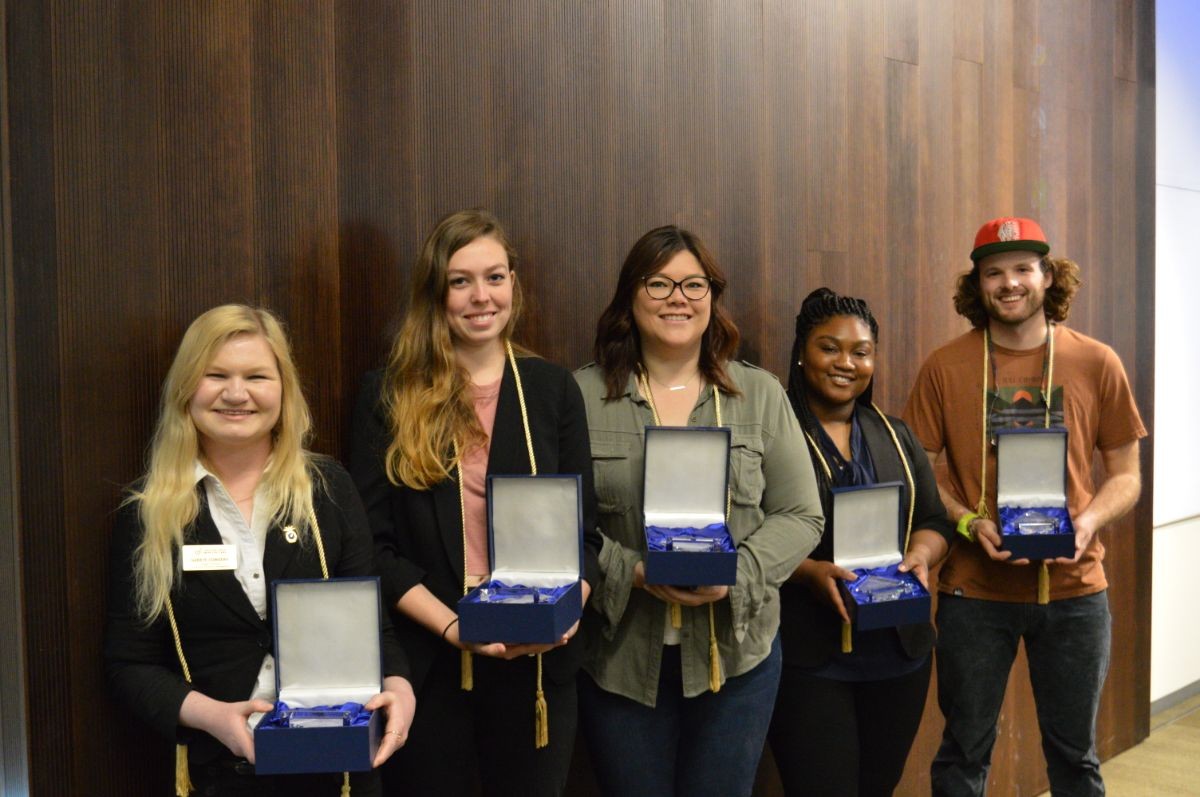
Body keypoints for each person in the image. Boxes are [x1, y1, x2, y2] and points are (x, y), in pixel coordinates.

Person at [105, 304, 415, 797]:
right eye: (216, 375)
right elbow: (130, 665)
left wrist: (399, 687)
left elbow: (372, 627)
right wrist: (215, 718)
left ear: (283, 391)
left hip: (339, 772)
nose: (236, 393)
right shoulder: (145, 514)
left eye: (256, 376)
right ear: (187, 388)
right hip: (222, 774)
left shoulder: (329, 489)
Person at [349, 208, 601, 797]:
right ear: (436, 293)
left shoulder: (551, 389)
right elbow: (372, 549)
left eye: (495, 276)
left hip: (537, 664)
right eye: (460, 281)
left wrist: (562, 618)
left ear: (514, 281)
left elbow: (588, 536)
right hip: (431, 669)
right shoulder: (387, 393)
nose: (480, 296)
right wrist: (455, 627)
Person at [573, 225, 824, 797]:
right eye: (658, 284)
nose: (678, 298)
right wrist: (631, 571)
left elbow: (801, 514)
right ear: (629, 297)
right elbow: (566, 524)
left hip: (736, 660)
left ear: (712, 296)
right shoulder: (581, 397)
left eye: (693, 284)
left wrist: (736, 572)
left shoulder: (758, 395)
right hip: (619, 659)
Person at [903, 217, 1146, 796]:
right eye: (994, 272)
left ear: (1047, 276)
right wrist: (967, 520)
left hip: (1075, 591)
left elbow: (1127, 475)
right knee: (963, 753)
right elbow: (917, 470)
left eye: (1022, 268)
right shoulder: (945, 366)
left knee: (1075, 758)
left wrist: (1087, 522)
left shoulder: (1096, 361)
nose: (1009, 283)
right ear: (978, 284)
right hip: (973, 593)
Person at [766, 288, 955, 796]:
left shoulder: (895, 434)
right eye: (830, 348)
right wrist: (808, 571)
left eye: (861, 351)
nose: (846, 363)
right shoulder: (771, 433)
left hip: (899, 651)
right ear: (802, 353)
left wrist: (922, 554)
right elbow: (746, 534)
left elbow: (935, 520)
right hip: (810, 654)